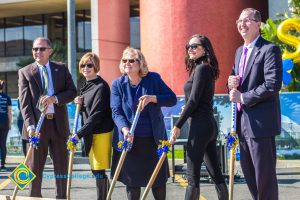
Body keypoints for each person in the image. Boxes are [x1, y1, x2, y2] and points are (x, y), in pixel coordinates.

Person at [227, 8, 282, 200]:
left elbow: (272, 84)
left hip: (261, 125)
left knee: (264, 178)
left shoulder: (269, 49)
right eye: (239, 21)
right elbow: (235, 78)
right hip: (243, 124)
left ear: (258, 24)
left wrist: (242, 98)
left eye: (247, 20)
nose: (242, 24)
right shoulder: (239, 51)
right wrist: (230, 82)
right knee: (250, 176)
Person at [110, 47, 177, 200]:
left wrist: (152, 98)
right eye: (124, 60)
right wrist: (125, 130)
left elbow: (171, 98)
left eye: (131, 60)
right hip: (130, 140)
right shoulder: (117, 84)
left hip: (153, 141)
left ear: (140, 63)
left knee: (158, 183)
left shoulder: (153, 79)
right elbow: (116, 111)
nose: (127, 63)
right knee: (132, 185)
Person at [170, 34, 228, 200]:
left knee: (192, 177)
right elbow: (196, 100)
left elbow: (194, 101)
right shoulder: (202, 69)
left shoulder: (202, 68)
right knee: (215, 173)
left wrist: (177, 125)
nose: (190, 49)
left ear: (205, 49)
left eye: (195, 46)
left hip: (200, 126)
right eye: (188, 46)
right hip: (207, 125)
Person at [18, 37, 77, 198]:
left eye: (41, 49)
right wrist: (30, 127)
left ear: (50, 51)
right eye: (35, 49)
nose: (37, 52)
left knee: (61, 168)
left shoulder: (61, 69)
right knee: (34, 168)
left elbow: (72, 92)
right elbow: (25, 104)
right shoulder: (25, 72)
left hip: (58, 125)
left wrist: (55, 98)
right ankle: (35, 197)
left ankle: (62, 197)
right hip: (36, 128)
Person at [72, 52, 114, 200]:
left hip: (101, 132)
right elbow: (88, 109)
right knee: (96, 170)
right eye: (83, 65)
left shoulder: (101, 87)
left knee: (98, 170)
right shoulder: (86, 85)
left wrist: (79, 133)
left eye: (89, 65)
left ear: (96, 66)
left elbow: (97, 115)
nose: (86, 68)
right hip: (90, 131)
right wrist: (80, 103)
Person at [0, 80, 12, 172]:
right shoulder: (7, 97)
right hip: (4, 122)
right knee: (3, 144)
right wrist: (9, 124)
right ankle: (2, 165)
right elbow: (9, 113)